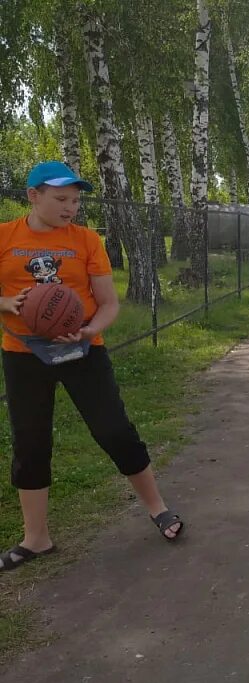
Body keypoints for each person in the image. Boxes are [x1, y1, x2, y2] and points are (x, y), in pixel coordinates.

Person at [0, 161, 183, 572]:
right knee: (30, 443)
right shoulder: (5, 236)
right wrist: (7, 304)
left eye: (76, 200)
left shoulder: (85, 241)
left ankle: (158, 508)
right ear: (33, 195)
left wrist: (87, 330)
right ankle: (36, 538)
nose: (71, 208)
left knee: (114, 430)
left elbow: (108, 303)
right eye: (61, 199)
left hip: (82, 351)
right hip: (23, 354)